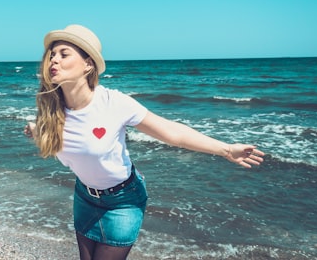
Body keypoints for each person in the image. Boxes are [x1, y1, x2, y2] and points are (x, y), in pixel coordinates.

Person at [24, 24, 265, 260]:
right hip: (84, 196)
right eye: (52, 55)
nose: (53, 60)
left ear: (88, 65)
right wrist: (37, 131)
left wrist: (225, 150)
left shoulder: (114, 103)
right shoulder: (51, 110)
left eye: (64, 54)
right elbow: (62, 142)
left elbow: (172, 132)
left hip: (123, 201)